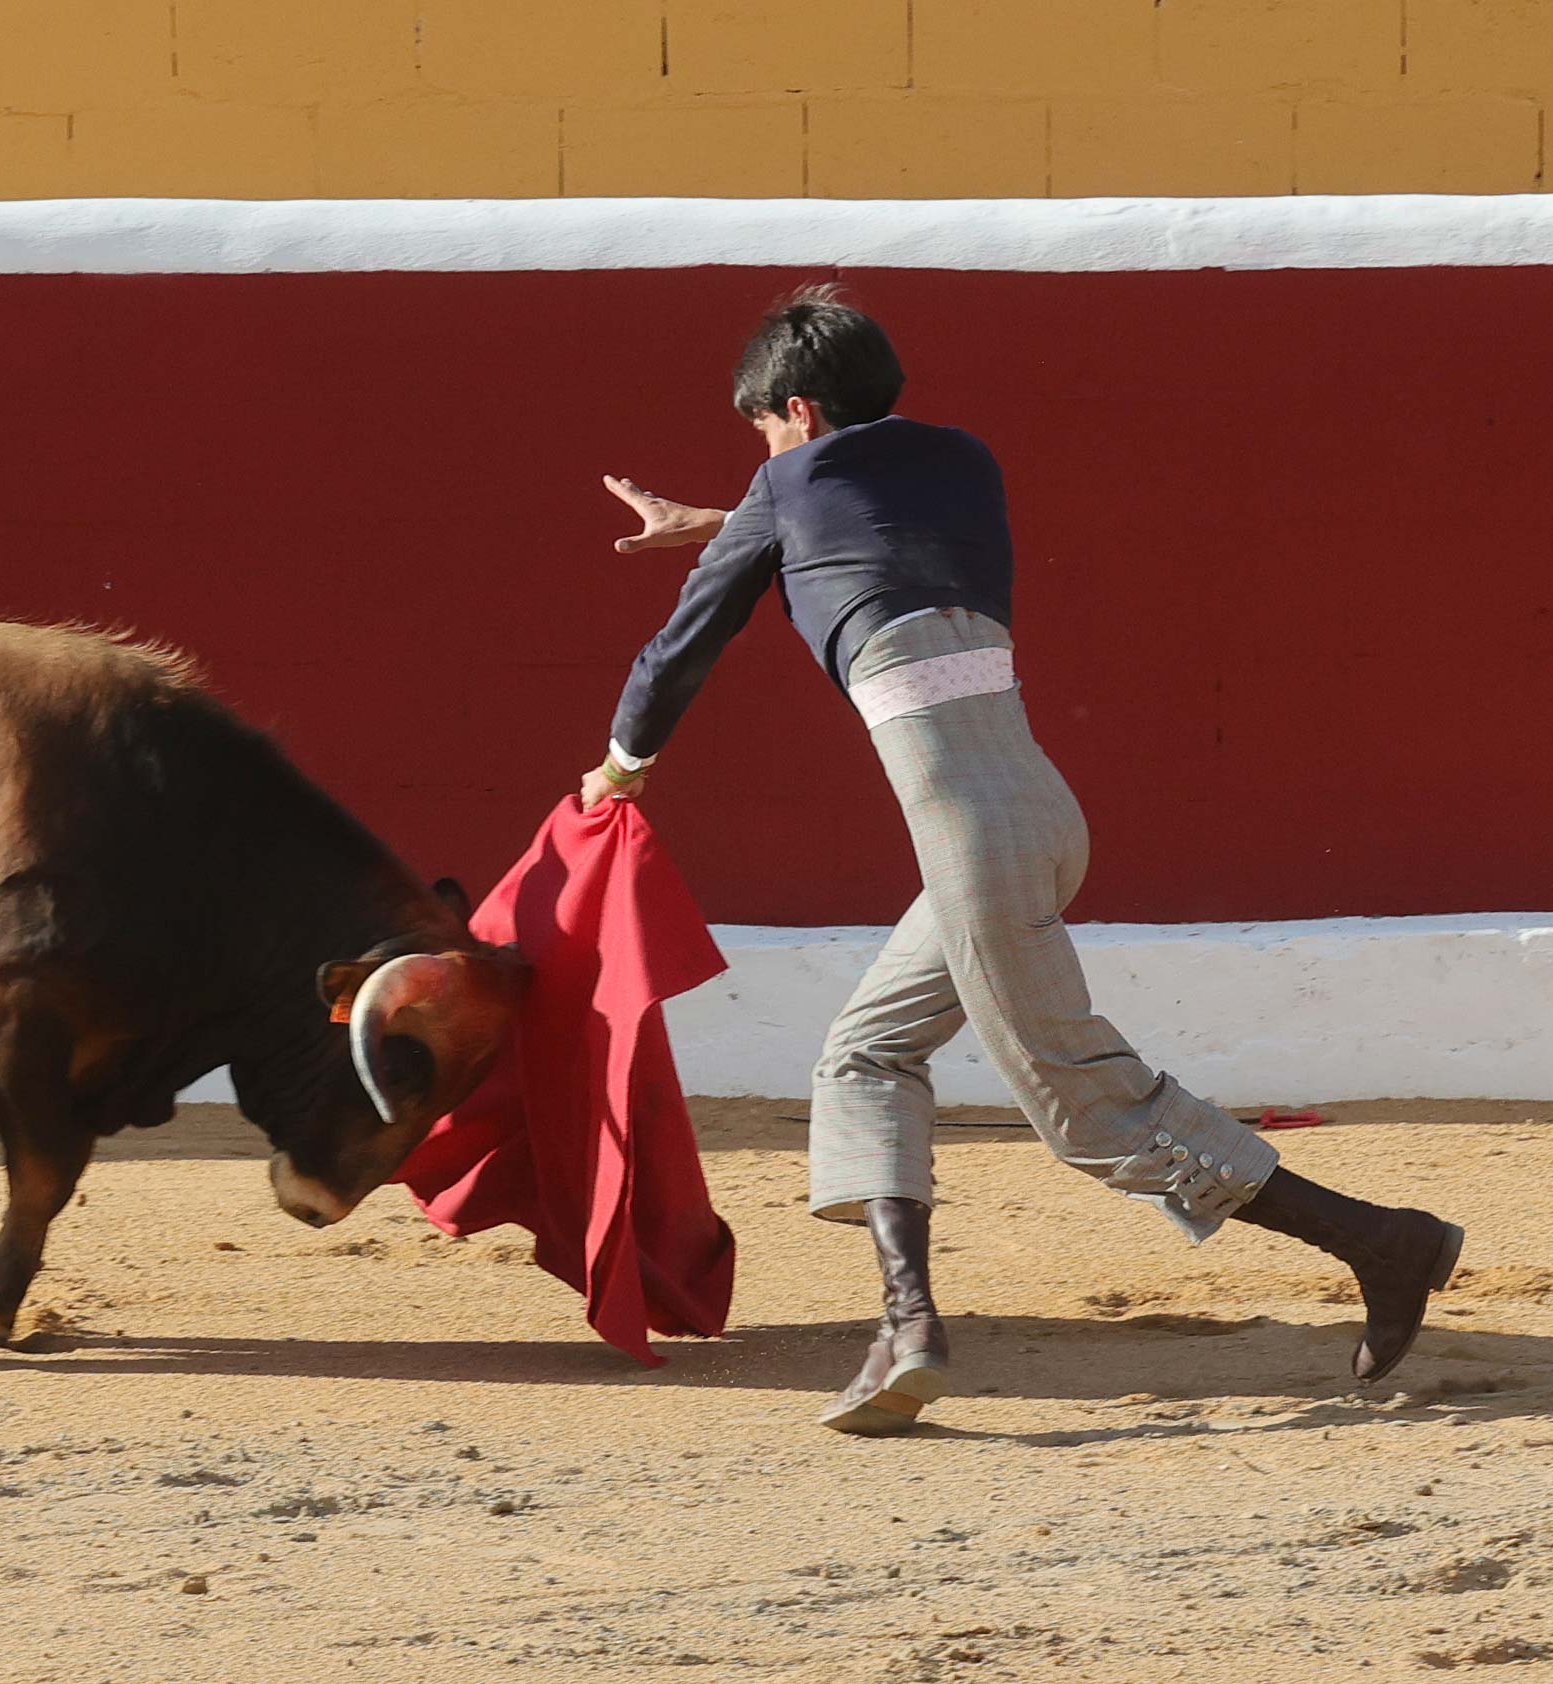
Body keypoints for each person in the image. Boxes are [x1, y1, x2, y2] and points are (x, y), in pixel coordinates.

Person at [585, 285, 1464, 1435]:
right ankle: (906, 1325)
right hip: (1041, 815)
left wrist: (619, 766)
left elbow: (683, 642)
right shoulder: (960, 461)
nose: (765, 454)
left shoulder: (785, 485)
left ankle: (1382, 1242)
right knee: (863, 1054)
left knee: (1089, 1110)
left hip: (971, 843)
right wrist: (725, 515)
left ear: (793, 410)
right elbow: (844, 522)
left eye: (763, 433)